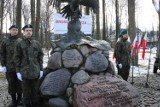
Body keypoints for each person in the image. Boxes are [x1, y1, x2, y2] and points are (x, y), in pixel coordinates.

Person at [14, 24, 44, 107]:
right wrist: (18, 71)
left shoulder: (37, 43)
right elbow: (16, 58)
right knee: (26, 93)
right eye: (26, 30)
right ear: (23, 32)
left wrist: (41, 69)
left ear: (32, 32)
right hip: (24, 73)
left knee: (35, 92)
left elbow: (40, 56)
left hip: (35, 72)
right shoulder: (19, 44)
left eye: (30, 30)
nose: (28, 32)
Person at [0, 25, 22, 107]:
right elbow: (2, 54)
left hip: (19, 67)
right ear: (10, 31)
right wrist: (3, 65)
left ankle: (19, 99)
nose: (15, 31)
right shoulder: (5, 41)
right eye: (13, 30)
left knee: (20, 84)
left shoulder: (21, 41)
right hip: (9, 67)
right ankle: (13, 101)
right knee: (11, 84)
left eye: (16, 30)